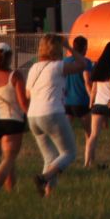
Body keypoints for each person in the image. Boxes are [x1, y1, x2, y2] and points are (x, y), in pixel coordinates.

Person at [24, 35, 86, 196]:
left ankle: (47, 193)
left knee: (50, 156)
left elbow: (28, 94)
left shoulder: (34, 68)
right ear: (57, 49)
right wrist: (70, 48)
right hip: (52, 112)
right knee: (69, 152)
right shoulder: (57, 66)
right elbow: (82, 64)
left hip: (33, 117)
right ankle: (44, 177)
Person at [0, 43, 29, 195]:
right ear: (10, 57)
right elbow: (23, 103)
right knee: (8, 160)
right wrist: (31, 117)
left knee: (6, 160)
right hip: (12, 121)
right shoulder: (15, 76)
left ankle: (11, 192)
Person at [82, 45, 110, 169]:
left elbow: (94, 89)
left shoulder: (98, 66)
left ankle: (87, 163)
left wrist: (91, 103)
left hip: (98, 105)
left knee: (93, 135)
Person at [64, 35, 95, 130]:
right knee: (89, 133)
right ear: (85, 48)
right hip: (82, 102)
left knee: (64, 132)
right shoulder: (86, 62)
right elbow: (87, 82)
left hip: (67, 102)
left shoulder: (65, 61)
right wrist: (92, 100)